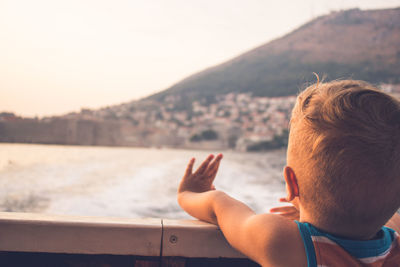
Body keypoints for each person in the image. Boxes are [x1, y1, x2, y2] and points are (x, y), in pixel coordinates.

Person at [177, 79, 400, 266]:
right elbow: (385, 215)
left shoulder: (282, 241)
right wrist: (316, 205)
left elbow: (218, 206)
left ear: (292, 183)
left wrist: (189, 193)